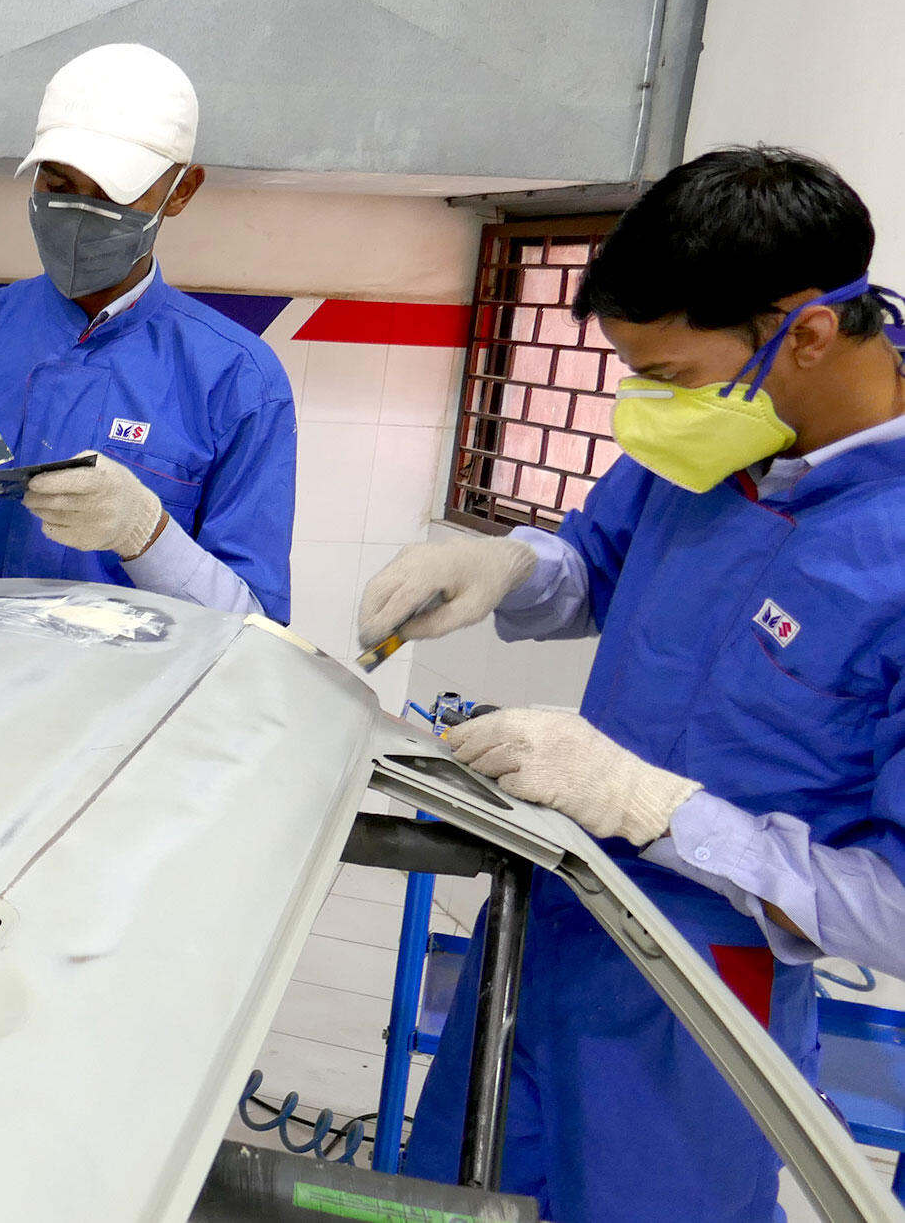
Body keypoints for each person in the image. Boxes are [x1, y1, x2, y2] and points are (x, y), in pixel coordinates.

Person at [359, 147, 905, 1222]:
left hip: (698, 1005)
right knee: (440, 1200)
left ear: (806, 332)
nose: (651, 410)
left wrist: (657, 810)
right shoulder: (717, 432)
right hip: (545, 926)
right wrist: (504, 563)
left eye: (670, 378)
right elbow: (592, 570)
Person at [0, 44, 295, 622]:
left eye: (111, 194)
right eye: (59, 183)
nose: (77, 212)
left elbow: (254, 628)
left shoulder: (236, 378)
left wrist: (147, 533)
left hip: (132, 707)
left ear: (182, 191)